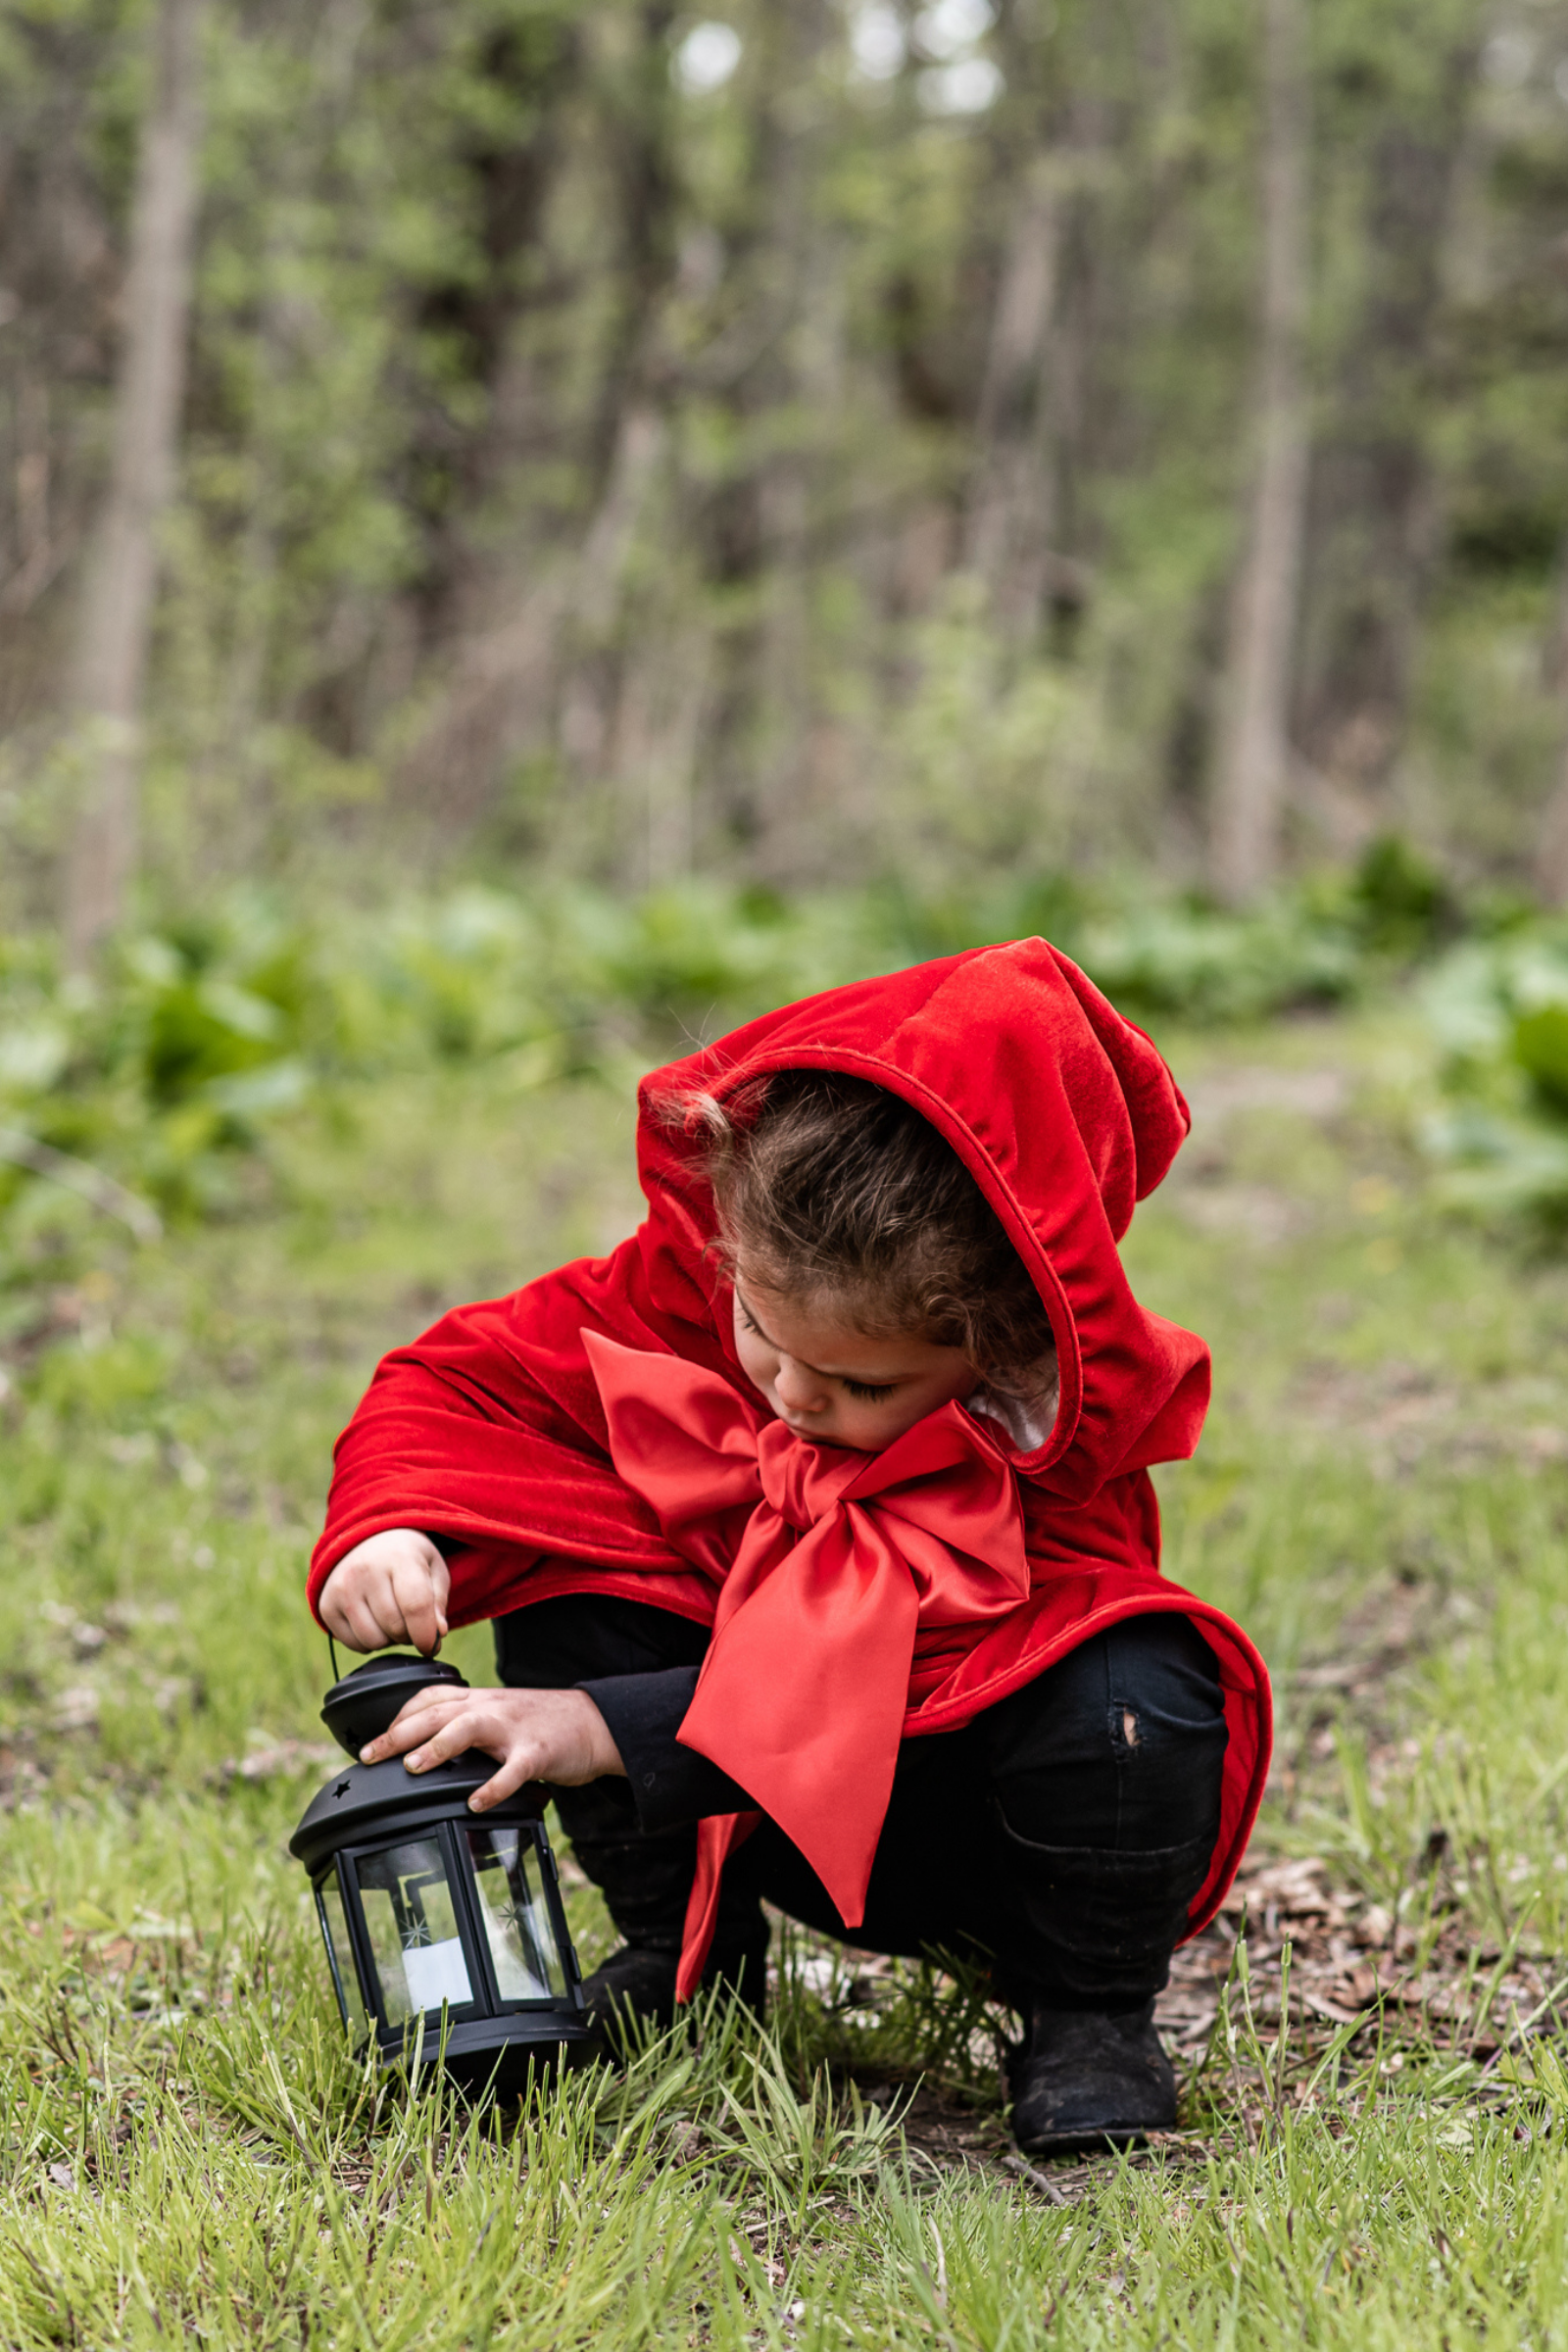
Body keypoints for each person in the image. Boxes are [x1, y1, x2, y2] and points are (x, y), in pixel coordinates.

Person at [309, 941, 1271, 2154]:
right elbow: (460, 1382)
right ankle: (680, 1952)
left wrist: (599, 1727)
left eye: (862, 1382)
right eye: (761, 1328)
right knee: (576, 1554)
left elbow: (919, 1680)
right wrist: (395, 1527)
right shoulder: (679, 1292)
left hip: (953, 1821)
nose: (791, 1394)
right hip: (727, 1816)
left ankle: (1085, 2014)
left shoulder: (1050, 1441)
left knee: (1132, 1678)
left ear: (1007, 1340)